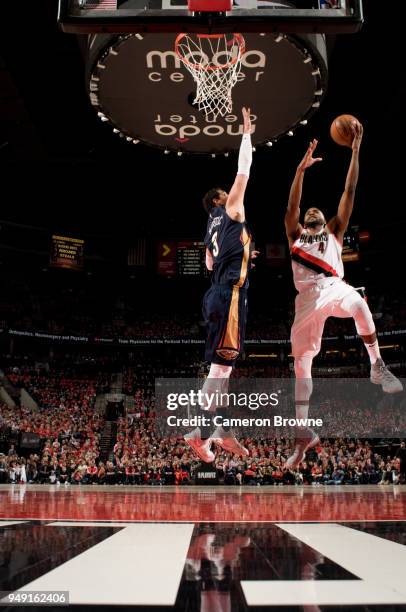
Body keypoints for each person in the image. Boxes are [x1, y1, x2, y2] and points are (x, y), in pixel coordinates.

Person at [284, 122, 403, 469]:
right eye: (309, 212)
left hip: (333, 285)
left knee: (358, 304)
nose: (311, 212)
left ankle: (377, 366)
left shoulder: (335, 231)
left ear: (325, 219)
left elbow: (349, 190)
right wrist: (299, 171)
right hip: (306, 299)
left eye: (316, 212)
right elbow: (292, 206)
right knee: (301, 365)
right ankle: (302, 433)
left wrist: (355, 151)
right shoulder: (295, 234)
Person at [185, 107, 257, 463]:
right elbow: (243, 172)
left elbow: (211, 262)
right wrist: (246, 134)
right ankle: (199, 432)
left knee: (224, 367)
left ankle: (220, 431)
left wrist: (242, 253)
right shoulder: (230, 207)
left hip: (217, 291)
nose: (231, 193)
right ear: (219, 199)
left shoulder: (210, 229)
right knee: (221, 368)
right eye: (225, 193)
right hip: (229, 293)